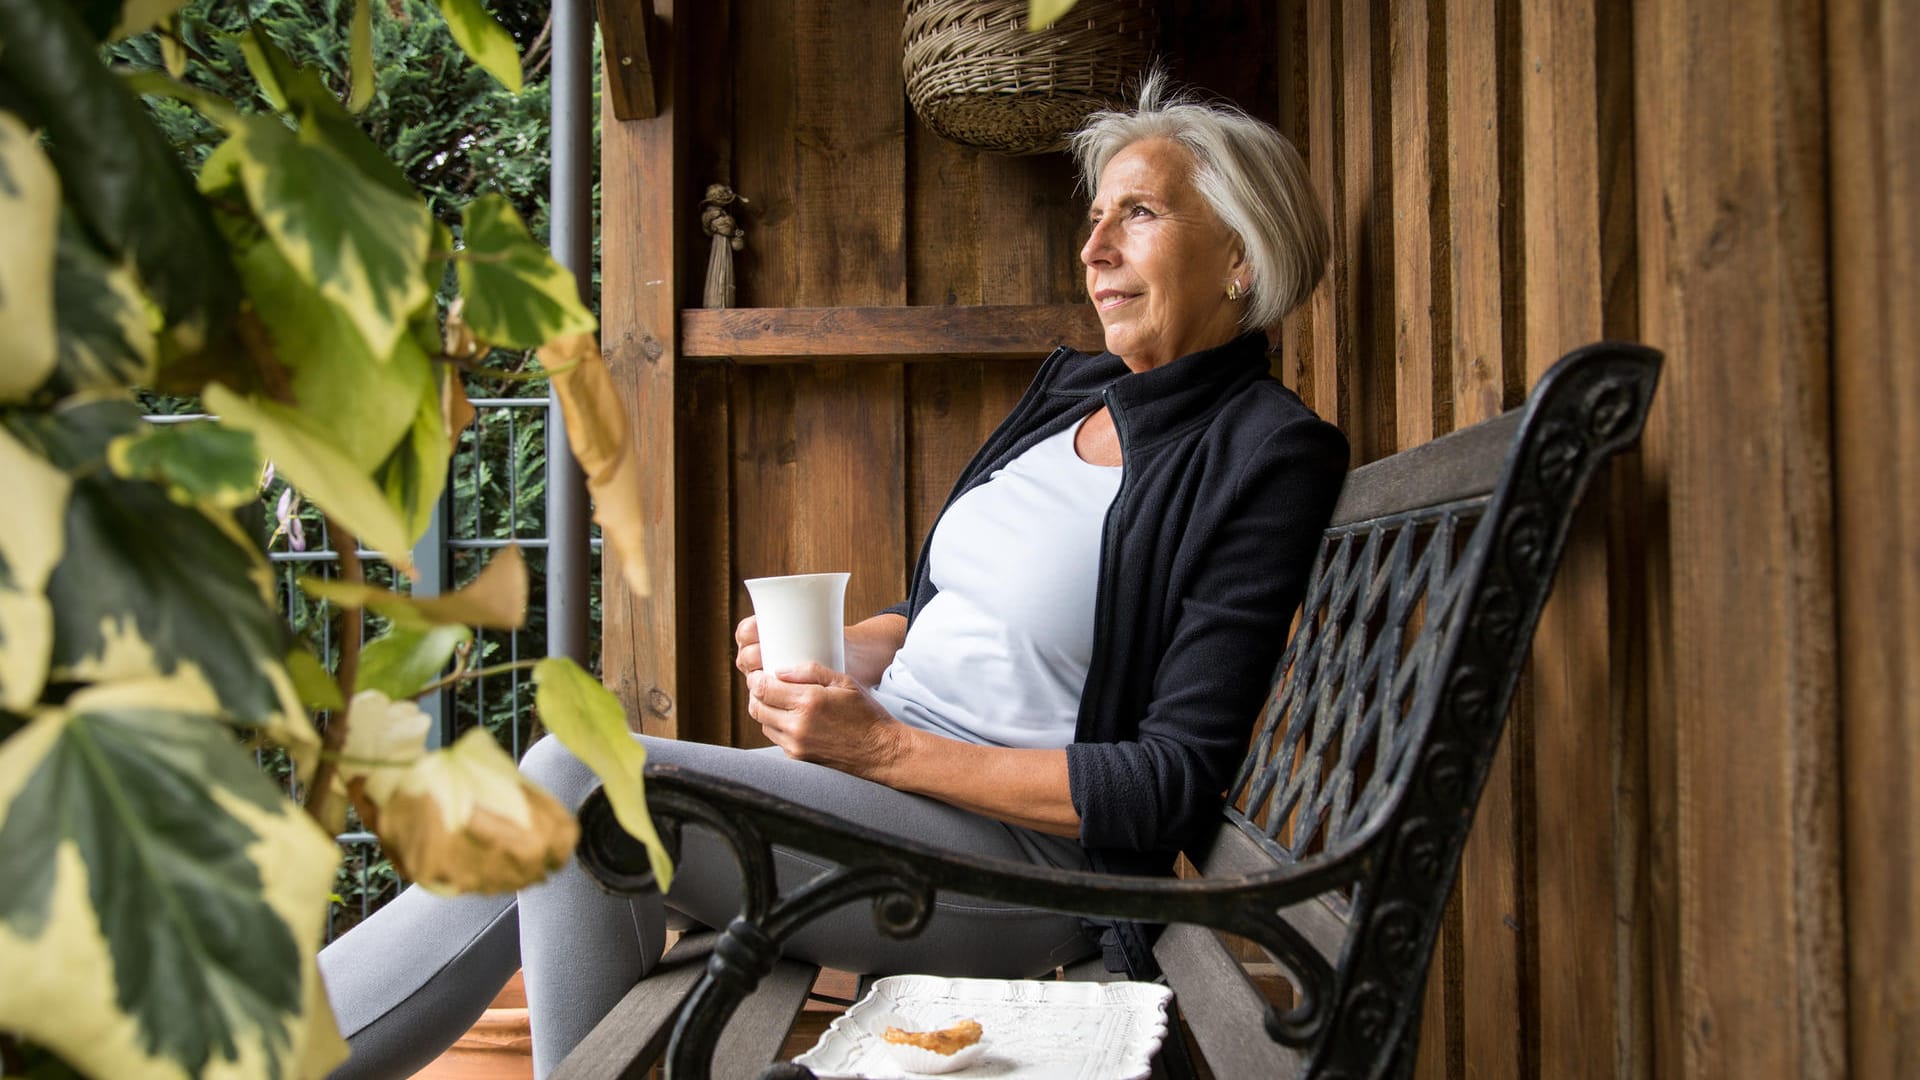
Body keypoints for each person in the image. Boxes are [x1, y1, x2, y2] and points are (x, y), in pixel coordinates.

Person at [317, 71, 1347, 1079]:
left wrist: (884, 748)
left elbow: (1168, 784)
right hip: (878, 799)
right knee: (555, 800)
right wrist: (850, 651)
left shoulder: (1262, 453)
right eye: (1094, 216)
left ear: (1241, 261)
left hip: (1012, 867)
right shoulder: (1073, 398)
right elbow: (950, 613)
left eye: (1141, 213)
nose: (1094, 247)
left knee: (577, 788)